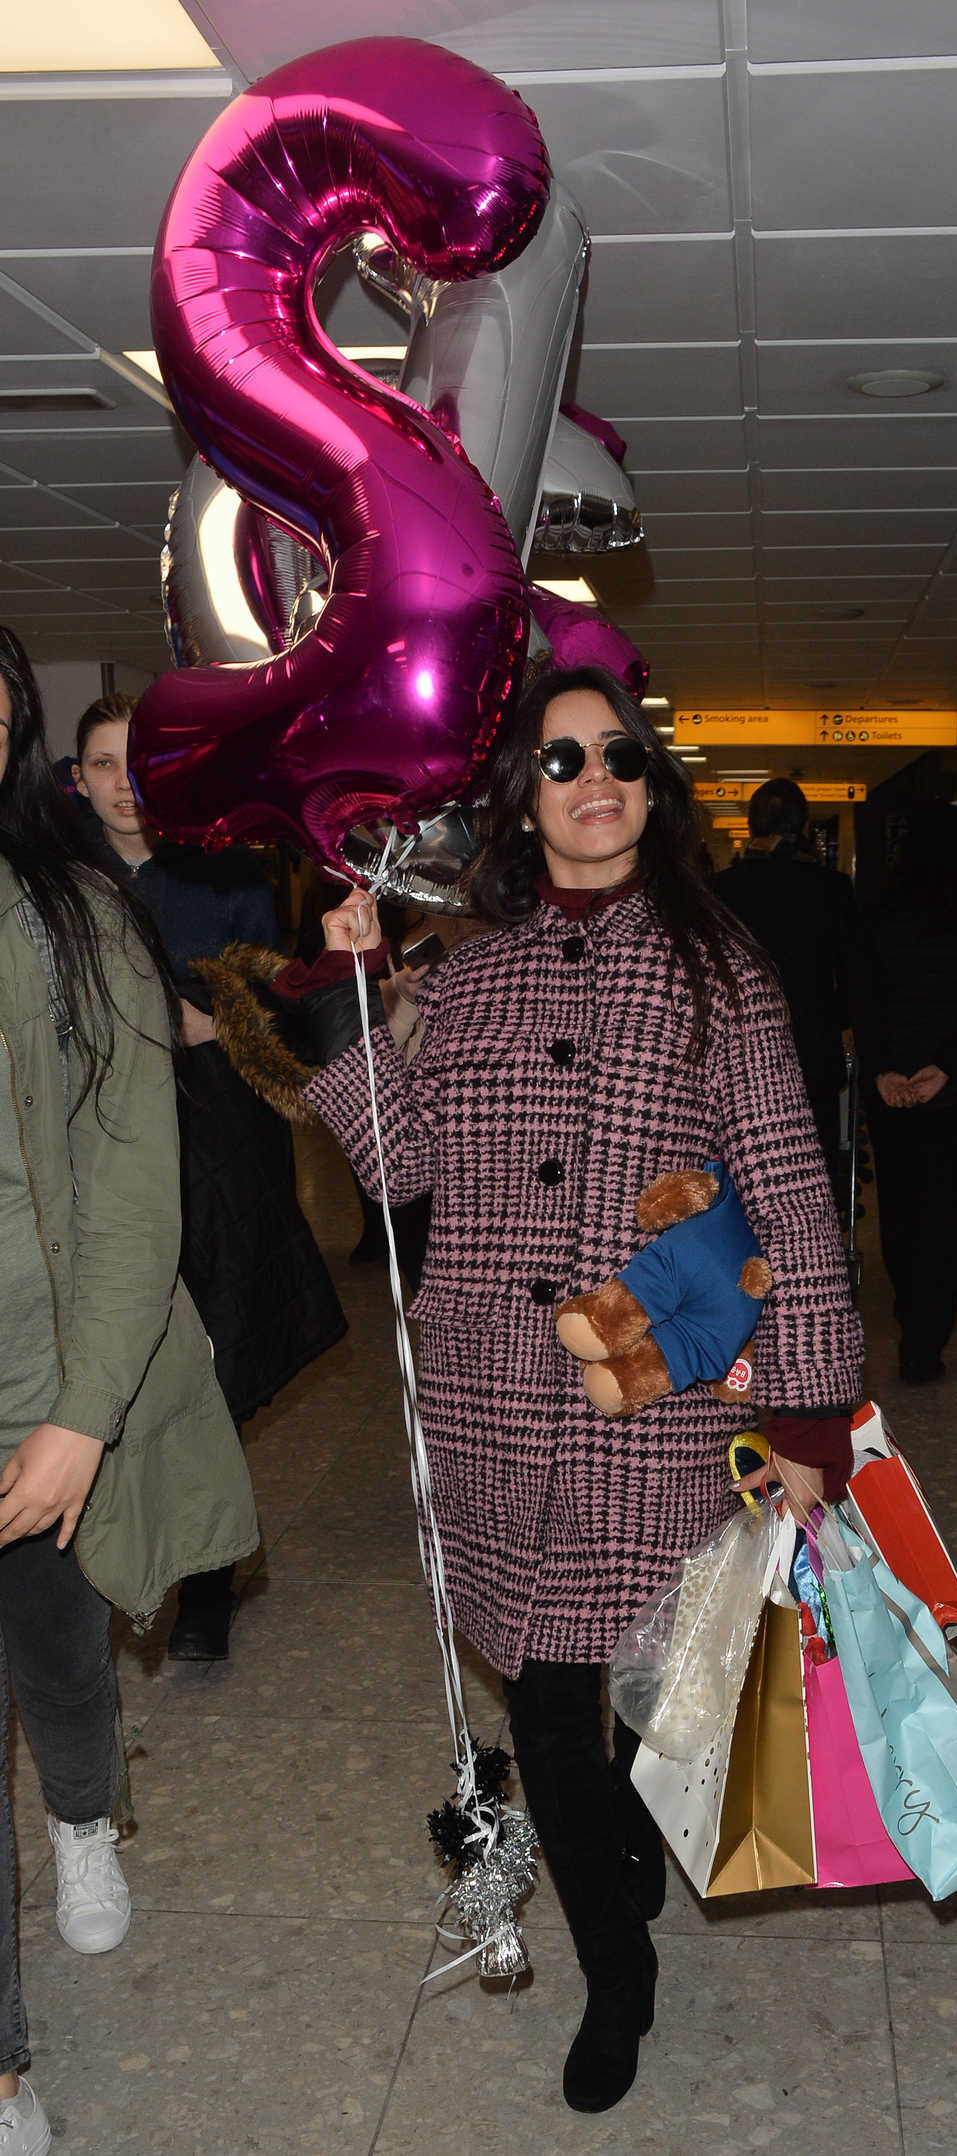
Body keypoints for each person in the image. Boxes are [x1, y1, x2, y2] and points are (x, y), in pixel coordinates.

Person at [285, 664, 864, 2114]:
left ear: (652, 791)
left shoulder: (719, 970)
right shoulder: (465, 972)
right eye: (559, 760)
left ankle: (610, 1869)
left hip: (650, 1398)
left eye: (617, 756)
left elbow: (791, 1193)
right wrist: (348, 999)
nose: (593, 778)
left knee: (625, 1680)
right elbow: (405, 1166)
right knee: (546, 1703)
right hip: (491, 1389)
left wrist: (806, 1413)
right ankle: (620, 1971)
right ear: (519, 797)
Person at [0, 628, 258, 2152]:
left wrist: (84, 1413)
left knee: (62, 1663)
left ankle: (85, 1816)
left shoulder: (68, 909)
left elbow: (126, 1177)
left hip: (39, 1384)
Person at [73, 696, 346, 1659]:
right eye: (102, 766)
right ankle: (120, 1553)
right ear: (78, 779)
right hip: (102, 1145)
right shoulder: (63, 881)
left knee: (217, 1346)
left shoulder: (224, 875)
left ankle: (204, 1586)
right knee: (119, 1346)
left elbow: (275, 1006)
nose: (122, 786)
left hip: (218, 1144)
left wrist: (213, 1023)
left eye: (136, 766)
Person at [850, 802, 957, 1383]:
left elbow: (865, 998)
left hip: (893, 1094)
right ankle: (925, 1342)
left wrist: (885, 1071)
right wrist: (949, 1068)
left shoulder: (880, 909)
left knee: (902, 1206)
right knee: (948, 1208)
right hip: (953, 1091)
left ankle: (908, 1306)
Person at [715, 776, 856, 1181]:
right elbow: (852, 975)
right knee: (813, 1167)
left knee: (739, 1171)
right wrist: (833, 1020)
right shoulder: (831, 889)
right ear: (806, 829)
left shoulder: (719, 890)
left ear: (750, 827)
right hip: (811, 1050)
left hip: (735, 1053)